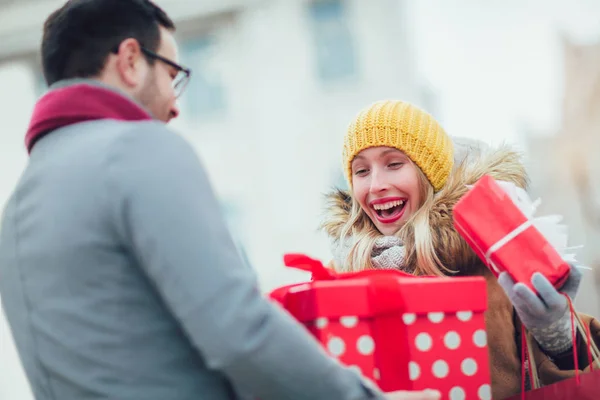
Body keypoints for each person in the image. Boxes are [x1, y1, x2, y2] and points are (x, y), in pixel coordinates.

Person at [0, 1, 440, 399]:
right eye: (172, 75)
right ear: (131, 60)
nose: (175, 106)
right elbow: (238, 331)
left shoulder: (18, 208)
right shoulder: (138, 150)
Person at [321, 100, 600, 399]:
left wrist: (558, 334)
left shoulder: (495, 264)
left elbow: (579, 379)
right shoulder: (339, 281)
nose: (376, 184)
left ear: (429, 173)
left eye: (394, 164)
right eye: (361, 171)